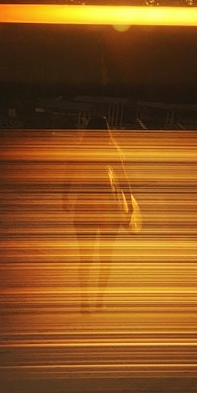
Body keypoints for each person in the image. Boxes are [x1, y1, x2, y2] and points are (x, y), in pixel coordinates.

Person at [62, 115, 133, 312]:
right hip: (109, 207)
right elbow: (124, 179)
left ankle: (85, 300)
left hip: (84, 205)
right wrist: (130, 205)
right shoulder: (112, 149)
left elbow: (69, 173)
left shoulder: (80, 149)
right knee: (105, 257)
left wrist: (65, 196)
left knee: (85, 257)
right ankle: (99, 300)